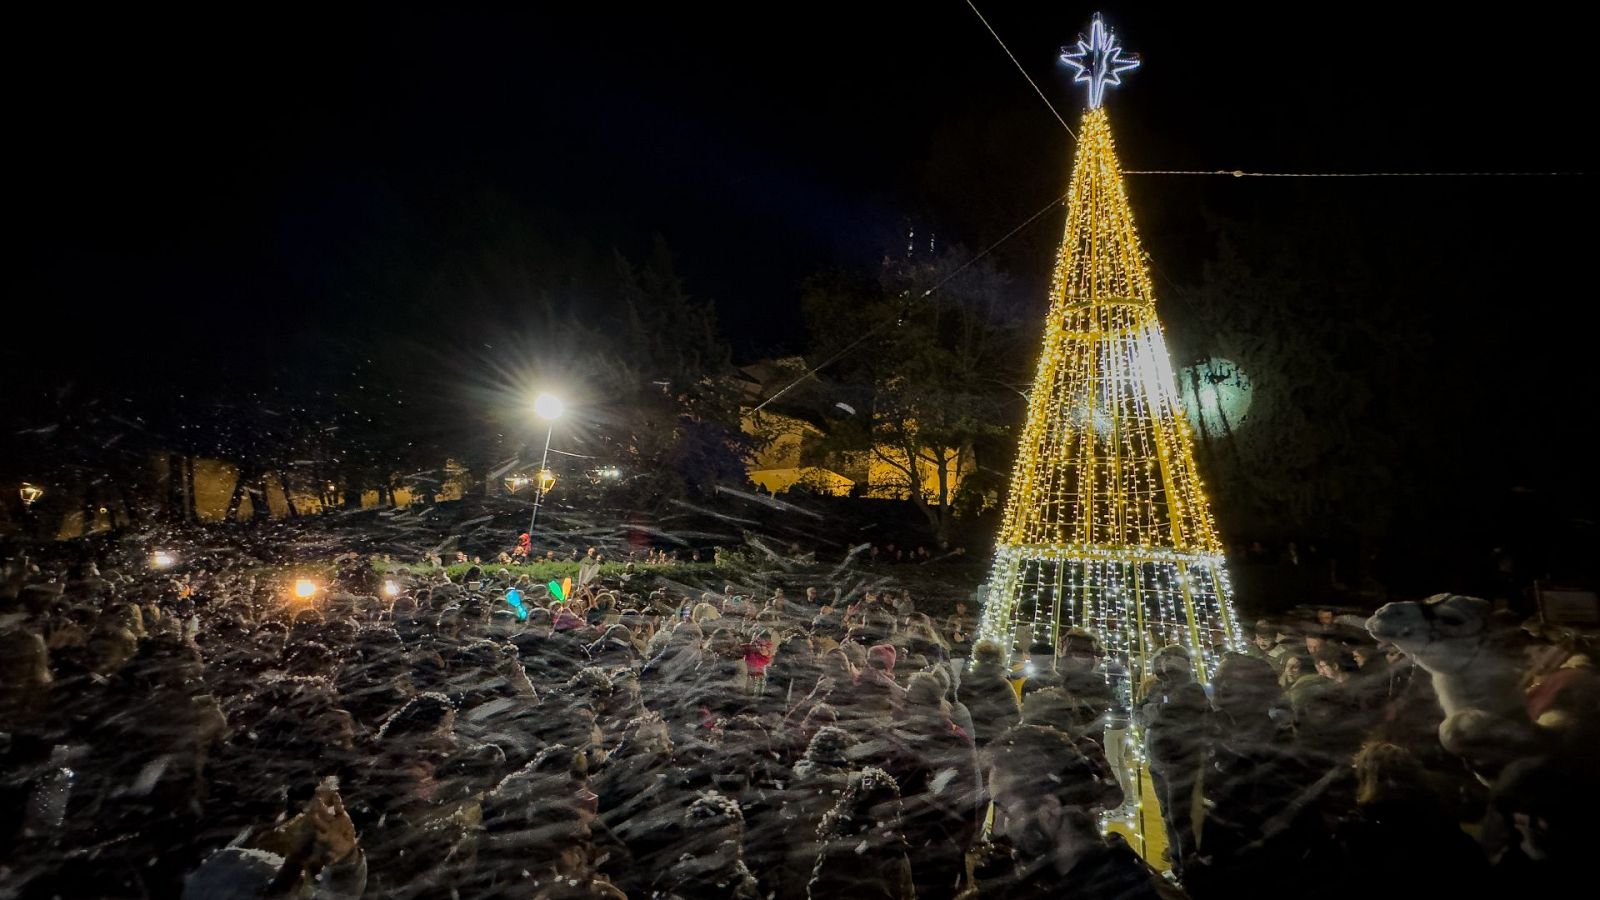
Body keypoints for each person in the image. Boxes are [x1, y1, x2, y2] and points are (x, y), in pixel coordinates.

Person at [971, 724, 1168, 899]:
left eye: (1005, 811)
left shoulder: (1107, 889)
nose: (1001, 827)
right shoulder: (1114, 869)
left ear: (1049, 810)